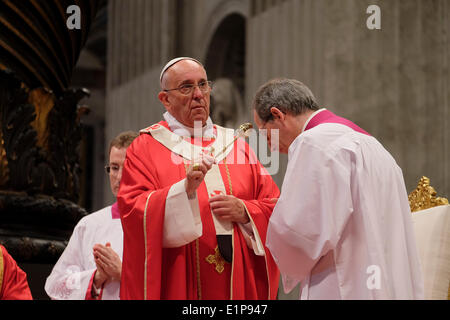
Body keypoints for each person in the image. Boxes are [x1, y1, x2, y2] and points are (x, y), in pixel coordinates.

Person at [118, 57, 280, 300]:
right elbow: (132, 209)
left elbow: (274, 205)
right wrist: (182, 192)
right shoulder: (145, 148)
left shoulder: (237, 145)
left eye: (203, 85)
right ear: (165, 99)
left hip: (236, 284)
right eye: (186, 87)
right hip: (179, 281)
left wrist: (246, 211)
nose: (198, 94)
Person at [253, 78, 424, 299]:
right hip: (384, 280)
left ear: (278, 115)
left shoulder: (313, 143)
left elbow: (302, 234)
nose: (269, 144)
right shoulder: (373, 146)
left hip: (344, 282)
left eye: (263, 131)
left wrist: (262, 217)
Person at [45, 131, 139, 300]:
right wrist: (96, 277)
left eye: (128, 168)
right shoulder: (89, 225)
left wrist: (122, 273)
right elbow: (55, 286)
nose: (118, 177)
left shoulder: (158, 222)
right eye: (114, 168)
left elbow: (172, 286)